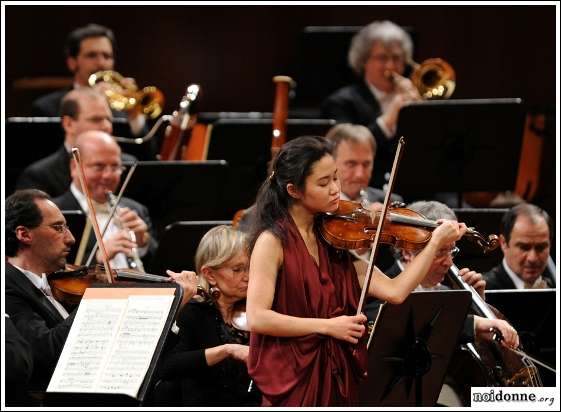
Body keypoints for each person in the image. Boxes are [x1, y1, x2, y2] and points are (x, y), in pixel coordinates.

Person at [245, 135, 466, 406]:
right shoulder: (272, 241)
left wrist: (434, 244)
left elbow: (395, 292)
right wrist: (328, 327)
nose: (335, 189)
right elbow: (258, 318)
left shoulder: (333, 240)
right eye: (324, 183)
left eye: (335, 178)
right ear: (293, 190)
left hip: (337, 372)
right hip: (292, 376)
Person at [5, 189, 197, 394]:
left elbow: (130, 353)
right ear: (24, 234)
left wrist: (173, 309)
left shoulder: (57, 284)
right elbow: (46, 355)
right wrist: (96, 296)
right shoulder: (8, 287)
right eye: (58, 228)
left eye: (66, 227)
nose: (70, 238)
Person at [157, 225, 261, 406]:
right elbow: (167, 366)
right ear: (210, 274)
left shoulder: (255, 308)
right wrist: (227, 350)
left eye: (251, 268)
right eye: (238, 269)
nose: (248, 277)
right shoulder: (192, 312)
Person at [321, 20, 420, 189]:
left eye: (396, 58)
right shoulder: (341, 102)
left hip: (414, 185)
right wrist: (390, 117)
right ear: (363, 61)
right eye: (382, 58)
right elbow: (348, 151)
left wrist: (420, 113)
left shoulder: (414, 96)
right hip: (368, 188)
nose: (391, 66)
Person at [52, 130, 157, 269]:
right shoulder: (55, 213)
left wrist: (142, 243)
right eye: (99, 166)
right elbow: (51, 270)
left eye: (115, 167)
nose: (108, 175)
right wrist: (99, 257)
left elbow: (159, 267)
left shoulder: (136, 209)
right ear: (74, 167)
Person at [31, 23, 146, 138]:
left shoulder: (122, 107)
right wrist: (92, 100)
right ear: (72, 63)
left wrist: (134, 116)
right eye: (91, 55)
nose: (101, 63)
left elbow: (146, 153)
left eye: (107, 56)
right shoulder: (47, 107)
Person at [16, 88, 136, 198]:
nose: (107, 126)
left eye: (108, 119)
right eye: (96, 119)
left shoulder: (130, 166)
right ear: (68, 124)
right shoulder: (39, 176)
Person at [325, 122, 403, 211]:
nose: (360, 174)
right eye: (351, 164)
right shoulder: (317, 207)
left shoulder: (391, 202)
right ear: (330, 162)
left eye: (366, 164)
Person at [484, 203, 555, 289]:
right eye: (524, 247)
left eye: (541, 247)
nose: (532, 258)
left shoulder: (553, 286)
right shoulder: (482, 292)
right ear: (503, 243)